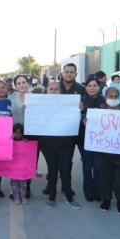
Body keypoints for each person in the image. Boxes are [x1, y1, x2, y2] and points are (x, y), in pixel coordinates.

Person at [39, 81, 81, 210]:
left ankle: (69, 197)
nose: (53, 90)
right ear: (47, 91)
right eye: (50, 88)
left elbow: (75, 120)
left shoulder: (69, 104)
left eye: (56, 89)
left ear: (60, 91)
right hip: (47, 143)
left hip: (65, 143)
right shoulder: (40, 105)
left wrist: (79, 108)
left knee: (65, 170)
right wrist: (28, 110)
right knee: (52, 170)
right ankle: (52, 197)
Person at [94, 86, 120, 214]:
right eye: (110, 96)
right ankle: (106, 200)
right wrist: (87, 121)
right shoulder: (98, 110)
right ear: (105, 97)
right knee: (104, 177)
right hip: (103, 152)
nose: (113, 99)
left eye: (116, 96)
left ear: (119, 97)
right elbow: (89, 122)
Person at [78, 76, 104, 202]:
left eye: (95, 85)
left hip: (101, 141)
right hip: (84, 139)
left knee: (99, 167)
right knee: (87, 167)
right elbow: (72, 117)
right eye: (89, 86)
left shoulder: (104, 101)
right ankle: (88, 193)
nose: (92, 88)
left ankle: (99, 192)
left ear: (99, 87)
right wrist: (82, 118)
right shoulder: (80, 101)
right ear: (86, 87)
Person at [8, 123, 30, 204]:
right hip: (13, 168)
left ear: (22, 133)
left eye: (19, 133)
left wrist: (27, 143)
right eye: (15, 132)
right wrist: (10, 140)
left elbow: (30, 151)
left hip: (22, 168)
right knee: (14, 184)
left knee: (23, 184)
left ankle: (23, 197)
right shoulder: (10, 141)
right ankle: (16, 197)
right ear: (12, 132)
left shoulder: (25, 141)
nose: (17, 134)